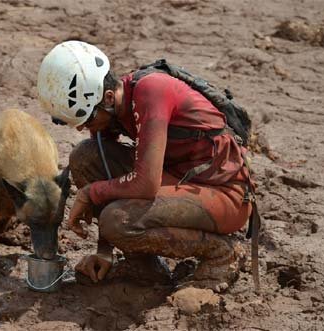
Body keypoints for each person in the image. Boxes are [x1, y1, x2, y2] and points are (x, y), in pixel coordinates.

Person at [36, 41, 253, 290]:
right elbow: (102, 166)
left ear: (107, 97)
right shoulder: (112, 108)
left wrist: (89, 193)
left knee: (117, 220)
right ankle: (143, 263)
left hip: (225, 194)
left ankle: (222, 254)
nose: (83, 128)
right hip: (179, 179)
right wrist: (104, 252)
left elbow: (146, 184)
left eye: (87, 119)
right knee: (85, 157)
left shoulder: (151, 91)